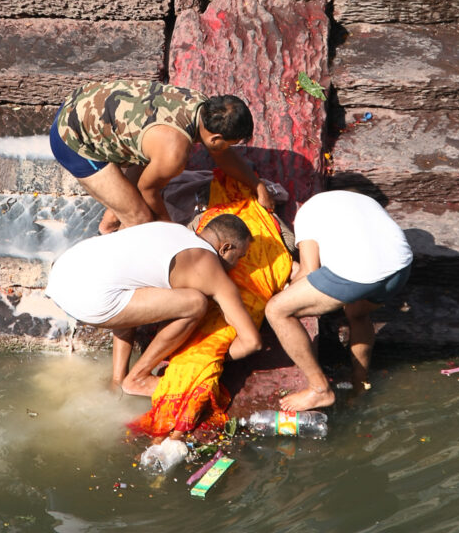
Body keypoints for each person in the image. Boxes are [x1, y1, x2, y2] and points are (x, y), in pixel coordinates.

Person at [45, 214, 261, 395]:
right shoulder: (208, 266)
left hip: (66, 270)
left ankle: (118, 380)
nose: (238, 265)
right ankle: (138, 378)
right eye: (239, 257)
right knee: (196, 303)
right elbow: (252, 342)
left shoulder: (172, 229)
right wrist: (206, 359)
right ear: (225, 248)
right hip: (89, 299)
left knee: (131, 284)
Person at [50, 79, 274, 234]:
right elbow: (149, 191)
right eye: (229, 144)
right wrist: (171, 230)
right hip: (72, 138)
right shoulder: (174, 152)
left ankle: (108, 226)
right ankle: (110, 262)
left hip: (84, 100)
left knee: (137, 187)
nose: (227, 149)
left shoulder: (200, 104)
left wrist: (258, 186)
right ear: (215, 139)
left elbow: (223, 156)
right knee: (142, 220)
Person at [265, 190, 413, 411]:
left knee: (277, 310)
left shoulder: (306, 213)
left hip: (357, 276)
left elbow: (308, 270)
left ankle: (319, 389)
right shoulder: (365, 200)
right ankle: (360, 381)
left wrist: (285, 291)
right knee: (357, 312)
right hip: (401, 268)